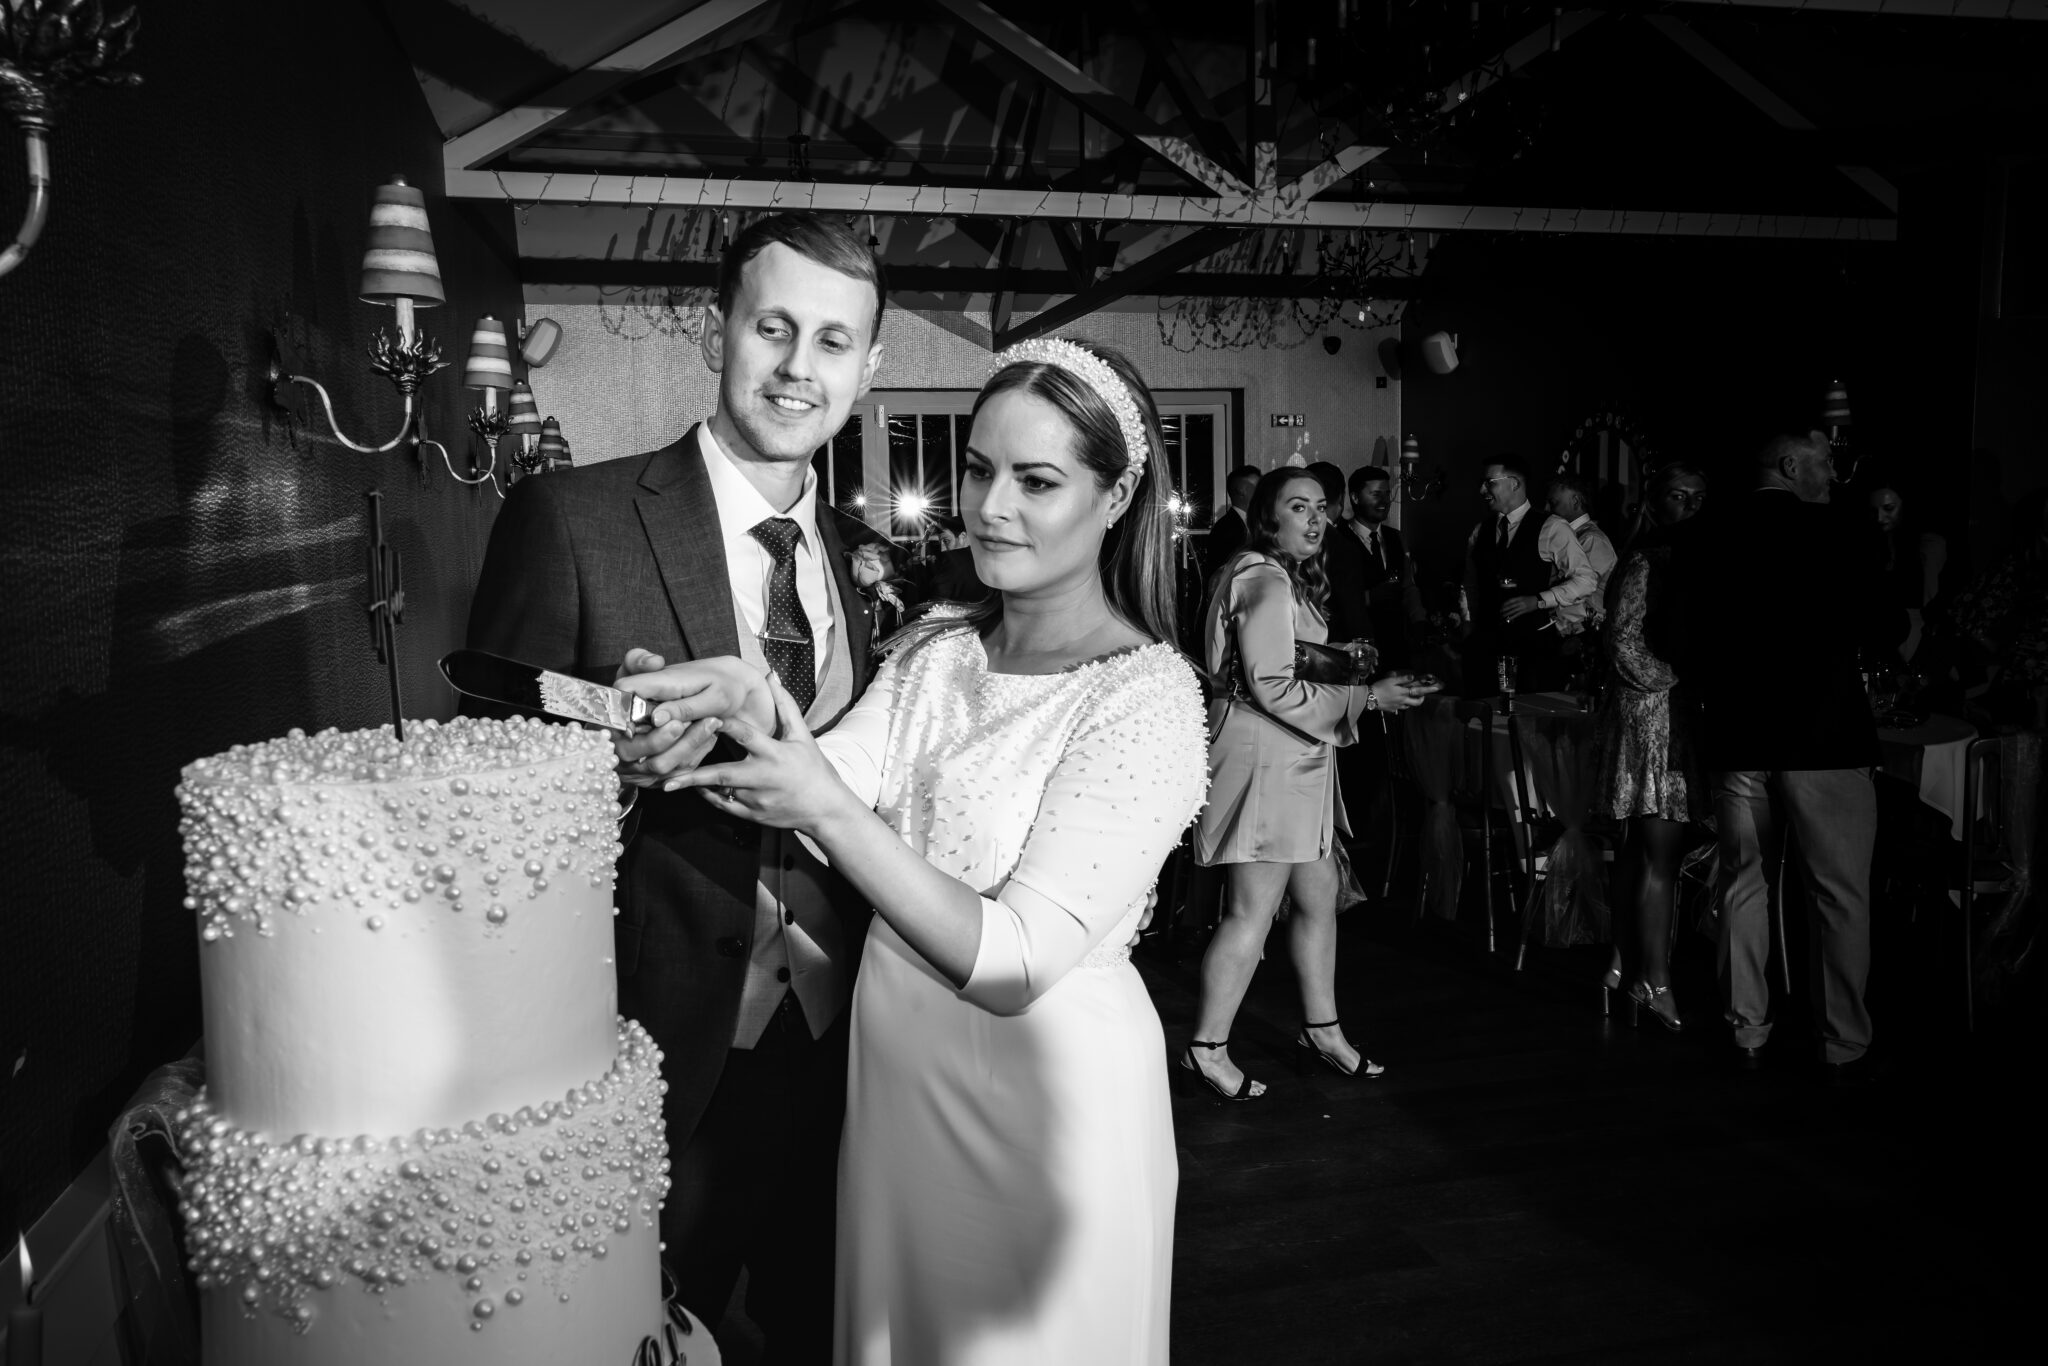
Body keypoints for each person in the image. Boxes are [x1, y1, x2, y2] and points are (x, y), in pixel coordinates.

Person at [621, 337, 1209, 1364]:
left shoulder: (1144, 694)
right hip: (898, 1080)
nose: (988, 505)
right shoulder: (941, 650)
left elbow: (1018, 957)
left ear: (1115, 498)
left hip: (1042, 1100)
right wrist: (729, 708)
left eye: (1036, 480)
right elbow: (821, 783)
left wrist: (829, 809)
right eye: (978, 468)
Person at [465, 212, 888, 1361]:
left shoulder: (854, 560)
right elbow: (481, 794)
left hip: (848, 1040)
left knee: (819, 1323)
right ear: (722, 330)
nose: (800, 368)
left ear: (868, 367)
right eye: (774, 327)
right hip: (659, 1042)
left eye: (834, 342)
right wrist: (605, 761)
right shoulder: (574, 519)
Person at [1186, 468, 1439, 1101]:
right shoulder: (1265, 579)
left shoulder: (1262, 573)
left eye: (1321, 506)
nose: (1316, 518)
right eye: (1298, 507)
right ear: (1269, 519)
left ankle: (1322, 1029)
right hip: (1272, 763)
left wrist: (1346, 670)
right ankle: (1206, 1048)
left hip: (1292, 760)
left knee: (1319, 891)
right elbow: (1269, 684)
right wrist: (1366, 699)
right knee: (1253, 909)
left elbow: (1273, 662)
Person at [1672, 428, 1903, 1081]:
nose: (1832, 476)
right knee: (1837, 895)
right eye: (1825, 464)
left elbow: (1678, 643)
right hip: (1825, 739)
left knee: (1744, 881)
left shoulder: (1702, 534)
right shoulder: (1840, 532)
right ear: (1789, 464)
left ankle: (1748, 1026)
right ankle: (1841, 1040)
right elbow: (1887, 628)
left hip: (1739, 736)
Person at [1592, 461, 1710, 1031]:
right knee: (1656, 853)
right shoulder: (1646, 559)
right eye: (1677, 496)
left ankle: (1622, 963)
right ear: (1655, 503)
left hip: (1657, 713)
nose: (1689, 506)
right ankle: (1654, 981)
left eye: (1698, 497)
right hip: (1652, 718)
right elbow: (1622, 646)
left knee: (1641, 851)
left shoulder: (1677, 560)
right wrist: (1689, 677)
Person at [1459, 454, 1599, 696]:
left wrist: (1539, 599)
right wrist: (1469, 630)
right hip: (1486, 648)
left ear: (1514, 484)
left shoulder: (1552, 527)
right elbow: (1469, 586)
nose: (1482, 490)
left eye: (1489, 482)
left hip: (1533, 650)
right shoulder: (1480, 531)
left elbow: (1586, 580)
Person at [1342, 465, 1428, 670]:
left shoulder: (1395, 537)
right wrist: (1371, 596)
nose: (1384, 500)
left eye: (1387, 493)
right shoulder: (1339, 539)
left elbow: (1408, 586)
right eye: (1375, 494)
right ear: (1355, 498)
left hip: (1395, 643)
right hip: (1357, 646)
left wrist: (1419, 621)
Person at [1868, 483, 1948, 663]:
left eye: (1889, 508)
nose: (1880, 517)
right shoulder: (1871, 546)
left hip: (1916, 635)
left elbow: (1931, 598)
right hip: (1880, 634)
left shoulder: (1928, 546)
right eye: (1873, 511)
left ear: (1905, 506)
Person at [1546, 469, 1619, 637]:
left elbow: (1579, 595)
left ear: (1576, 501)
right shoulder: (1568, 536)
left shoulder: (1592, 540)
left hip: (1581, 635)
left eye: (1553, 502)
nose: (1547, 508)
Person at [1204, 462, 1261, 576]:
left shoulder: (1255, 524)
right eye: (1258, 487)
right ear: (1242, 490)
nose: (1264, 492)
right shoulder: (1225, 530)